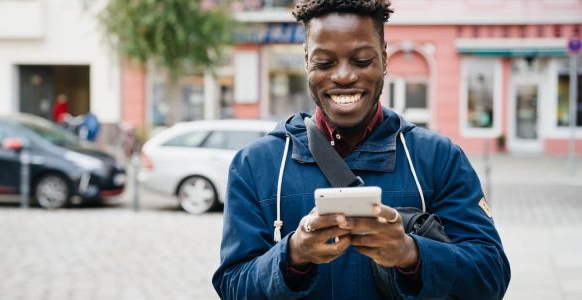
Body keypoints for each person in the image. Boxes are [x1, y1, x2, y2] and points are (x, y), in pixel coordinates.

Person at [212, 1, 511, 299]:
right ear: (306, 61)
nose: (343, 76)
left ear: (384, 57)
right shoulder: (254, 165)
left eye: (362, 60)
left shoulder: (439, 159)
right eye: (325, 63)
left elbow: (490, 277)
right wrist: (292, 256)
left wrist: (410, 254)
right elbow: (232, 286)